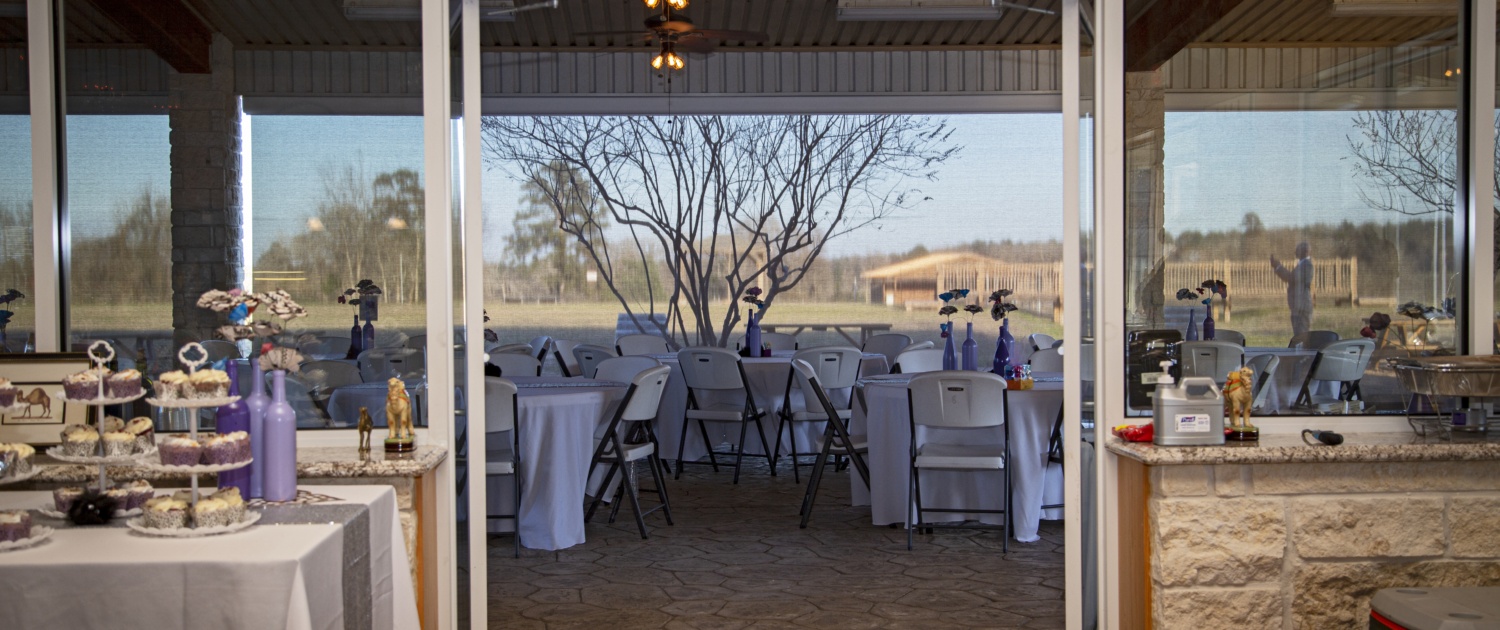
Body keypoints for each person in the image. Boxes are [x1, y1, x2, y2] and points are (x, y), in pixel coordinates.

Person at [1271, 242, 1314, 337]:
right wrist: (1277, 267)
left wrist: (1278, 267)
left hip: (1302, 308)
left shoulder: (1307, 265)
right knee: (1299, 337)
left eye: (1298, 249)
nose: (1295, 252)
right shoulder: (1302, 265)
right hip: (1297, 307)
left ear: (1305, 252)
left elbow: (1291, 277)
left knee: (1301, 338)